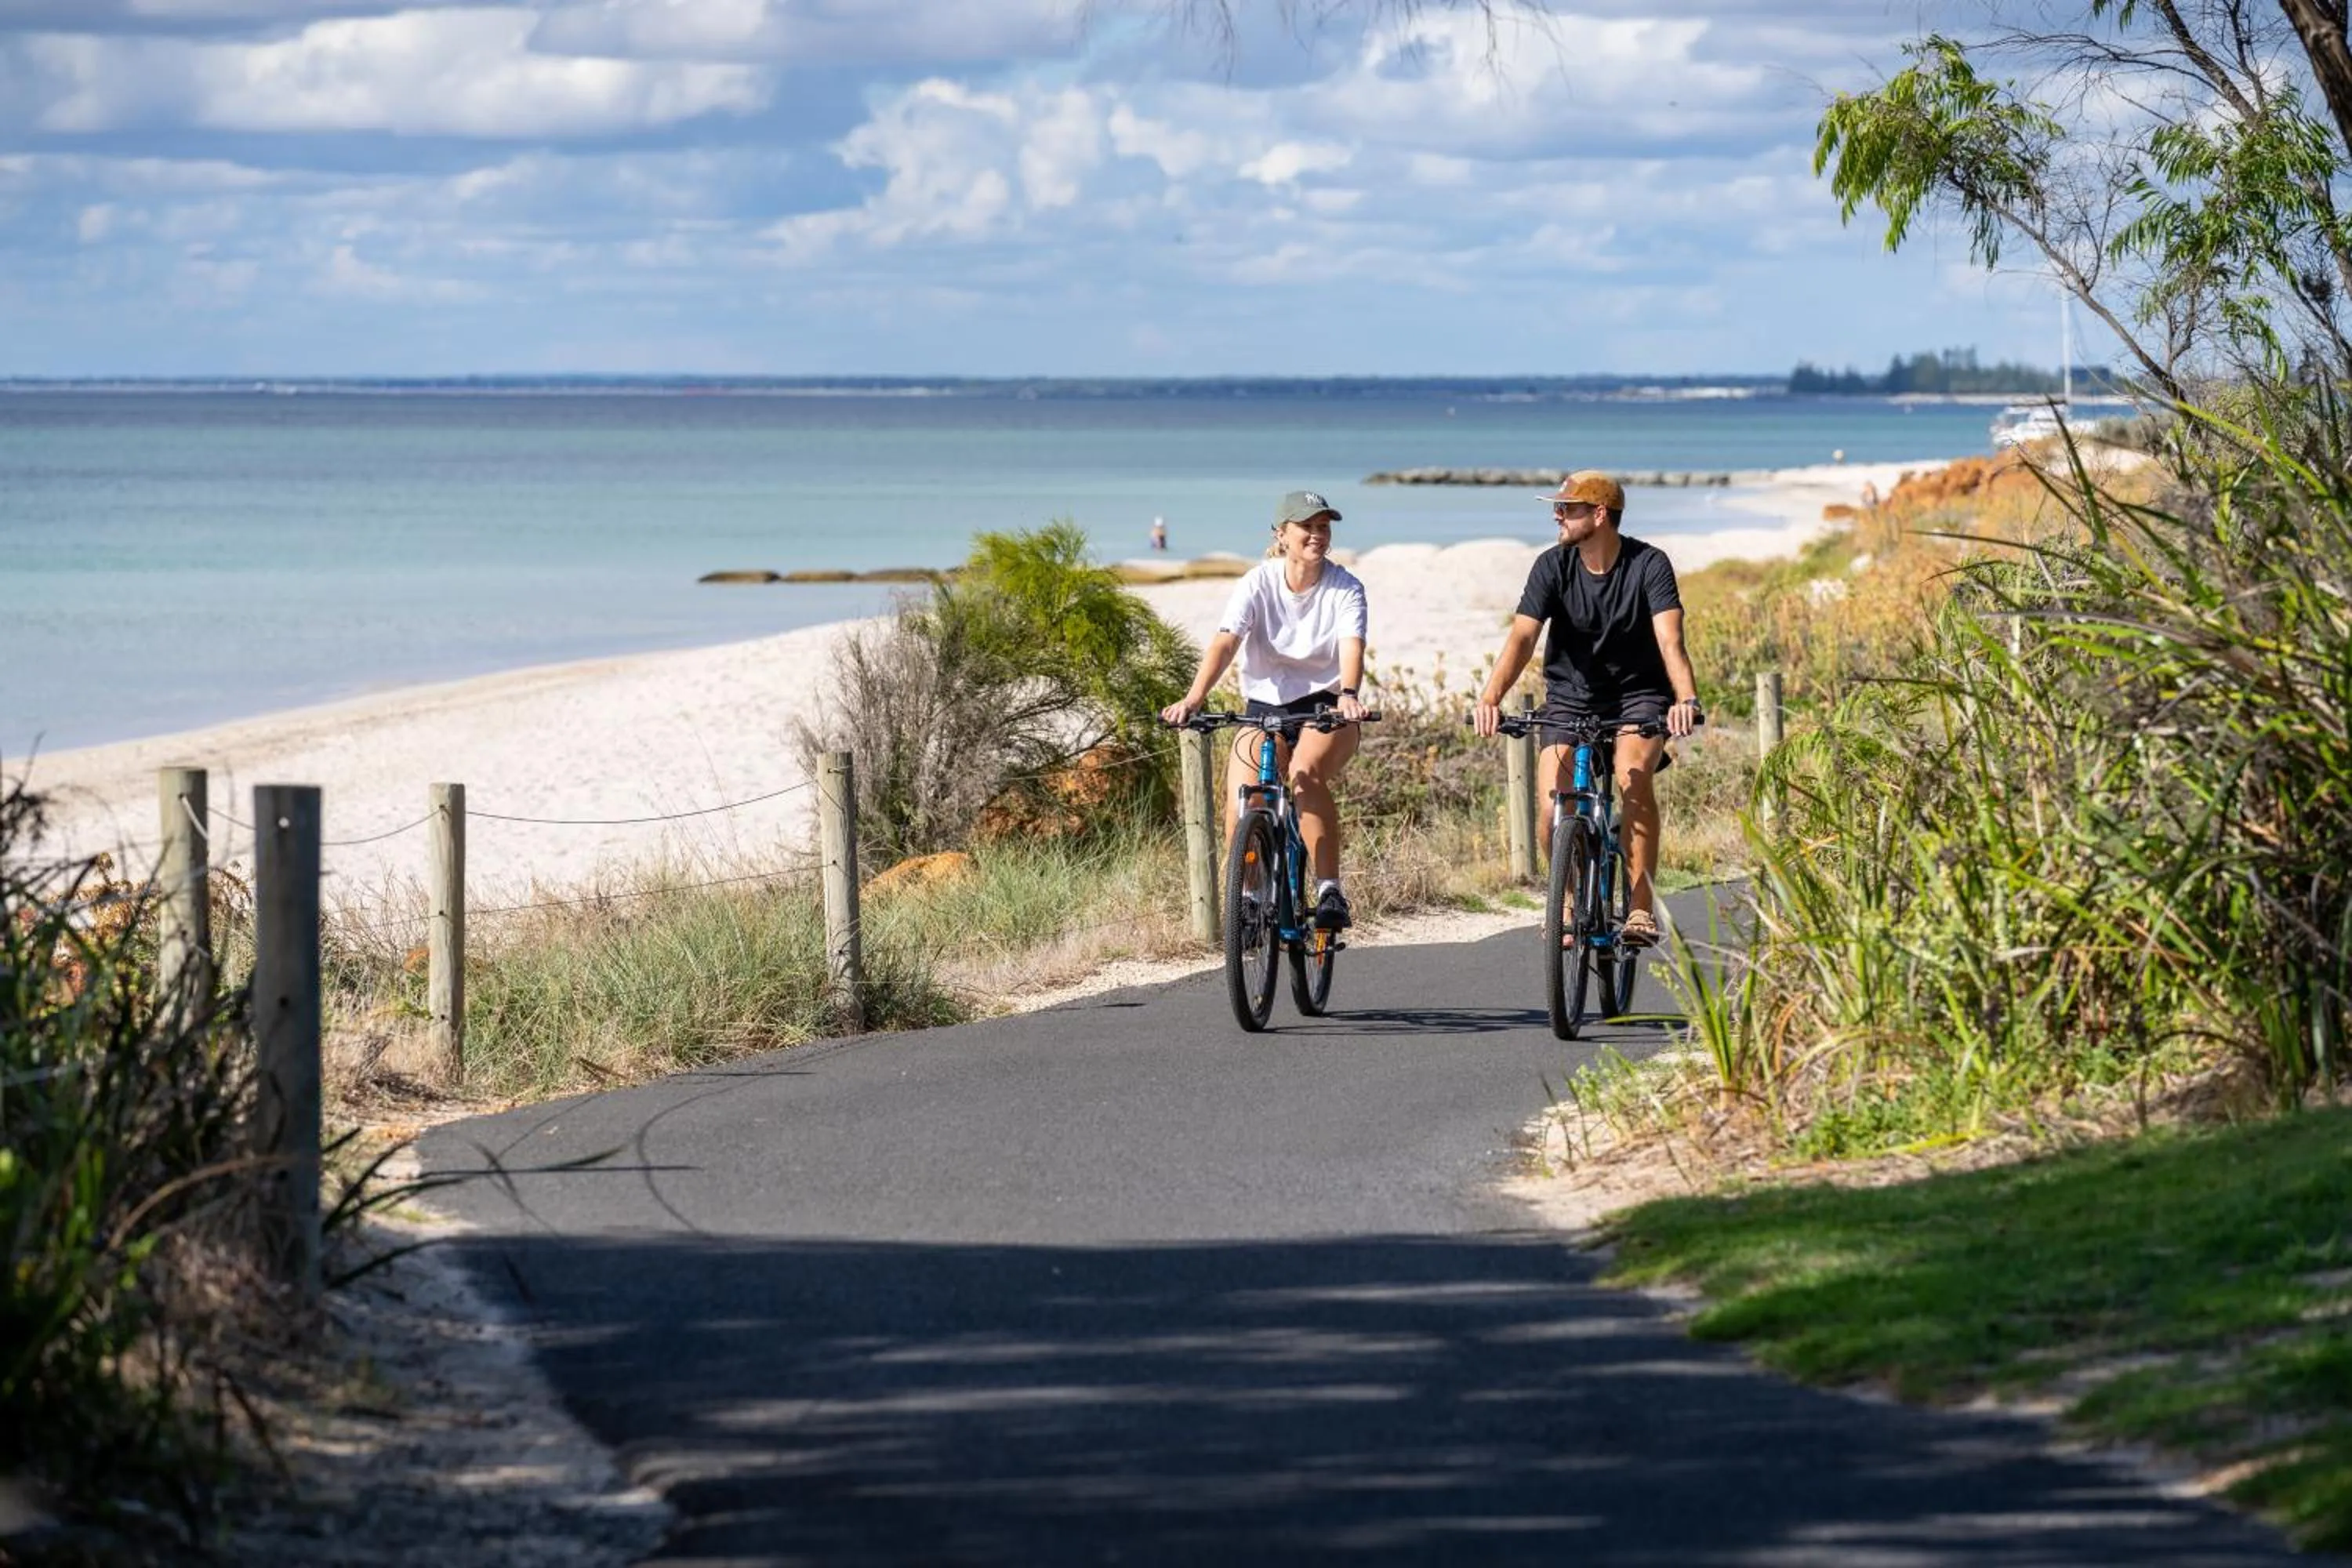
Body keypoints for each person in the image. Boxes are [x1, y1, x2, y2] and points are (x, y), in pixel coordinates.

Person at [1473, 471, 1701, 949]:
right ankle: (1568, 902)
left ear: (1599, 514)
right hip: (1570, 697)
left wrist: (1685, 700)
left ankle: (1639, 908)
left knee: (1631, 775)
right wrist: (1490, 699)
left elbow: (1670, 639)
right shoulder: (1552, 566)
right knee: (1549, 806)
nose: (1557, 515)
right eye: (1557, 507)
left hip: (1639, 695)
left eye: (1568, 508)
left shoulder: (1649, 564)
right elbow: (1522, 638)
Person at [1161, 489, 1368, 929]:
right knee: (1244, 802)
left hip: (1326, 708)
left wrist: (1348, 693)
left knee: (1303, 776)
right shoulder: (1256, 582)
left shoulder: (1345, 587)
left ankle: (1330, 891)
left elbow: (1352, 646)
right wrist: (1193, 699)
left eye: (1324, 527)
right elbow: (1226, 642)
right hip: (1263, 709)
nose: (1317, 535)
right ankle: (1252, 896)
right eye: (1307, 527)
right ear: (1281, 534)